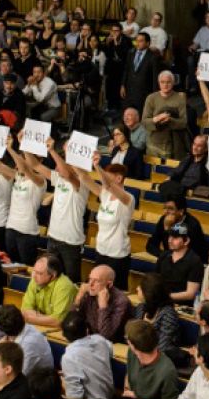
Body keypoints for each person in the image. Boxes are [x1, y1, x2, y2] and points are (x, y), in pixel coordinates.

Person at [24, 137, 89, 281]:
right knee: (49, 279)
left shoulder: (81, 183)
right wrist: (24, 144)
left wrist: (52, 150)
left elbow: (67, 174)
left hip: (71, 242)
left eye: (63, 162)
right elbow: (34, 164)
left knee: (71, 282)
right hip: (53, 237)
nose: (57, 166)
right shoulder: (58, 178)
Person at [77, 156, 134, 288]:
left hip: (117, 255)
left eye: (106, 176)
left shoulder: (128, 198)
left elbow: (107, 184)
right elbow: (84, 177)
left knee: (115, 292)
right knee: (97, 288)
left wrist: (97, 166)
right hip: (101, 251)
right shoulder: (105, 194)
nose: (103, 180)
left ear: (119, 178)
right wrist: (71, 156)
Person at [122, 319, 180, 399]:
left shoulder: (167, 371)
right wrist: (127, 388)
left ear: (134, 346)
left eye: (127, 339)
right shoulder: (132, 353)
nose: (126, 340)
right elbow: (129, 373)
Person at [59, 312, 114, 399]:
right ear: (87, 330)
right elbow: (109, 351)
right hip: (109, 398)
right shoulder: (100, 340)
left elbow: (76, 397)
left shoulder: (69, 357)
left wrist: (63, 382)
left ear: (65, 336)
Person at [21, 253, 78, 328]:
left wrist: (31, 318)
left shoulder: (64, 287)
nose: (34, 276)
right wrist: (47, 319)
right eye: (34, 271)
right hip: (43, 326)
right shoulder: (35, 280)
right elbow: (25, 310)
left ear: (53, 275)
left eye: (39, 273)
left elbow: (57, 321)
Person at [143, 70, 190, 159]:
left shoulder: (179, 98)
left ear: (173, 83)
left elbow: (184, 122)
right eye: (162, 82)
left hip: (171, 144)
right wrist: (156, 119)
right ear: (159, 83)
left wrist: (170, 120)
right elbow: (144, 122)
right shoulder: (151, 98)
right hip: (153, 144)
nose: (165, 85)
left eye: (168, 82)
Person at [134, 273, 182, 357]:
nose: (137, 288)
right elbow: (133, 335)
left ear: (149, 293)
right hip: (141, 354)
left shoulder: (168, 314)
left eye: (141, 288)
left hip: (160, 359)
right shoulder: (141, 307)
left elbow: (163, 346)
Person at [0, 304, 53, 375]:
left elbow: (18, 376)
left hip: (38, 381)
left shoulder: (28, 344)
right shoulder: (20, 328)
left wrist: (2, 351)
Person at [156, 223, 205, 305]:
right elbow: (155, 280)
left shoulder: (195, 261)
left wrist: (165, 297)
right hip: (162, 301)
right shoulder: (163, 256)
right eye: (170, 236)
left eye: (175, 238)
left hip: (181, 305)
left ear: (186, 241)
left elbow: (190, 294)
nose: (169, 240)